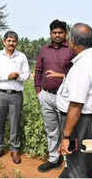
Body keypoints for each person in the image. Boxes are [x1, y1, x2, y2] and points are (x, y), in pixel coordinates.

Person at [57, 23, 92, 178]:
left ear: (73, 41)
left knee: (79, 167)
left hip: (80, 122)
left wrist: (66, 137)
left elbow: (76, 105)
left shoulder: (83, 66)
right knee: (79, 162)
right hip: (85, 120)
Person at [34, 19, 74, 172]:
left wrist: (60, 75)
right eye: (54, 32)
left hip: (64, 97)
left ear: (66, 33)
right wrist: (38, 91)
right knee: (51, 129)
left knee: (67, 130)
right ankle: (53, 159)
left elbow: (75, 73)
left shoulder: (71, 49)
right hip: (46, 96)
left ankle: (68, 163)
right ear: (50, 33)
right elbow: (38, 70)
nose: (57, 35)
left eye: (60, 32)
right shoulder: (44, 50)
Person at [0, 31, 30, 164]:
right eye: (9, 41)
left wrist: (18, 76)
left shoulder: (21, 56)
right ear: (4, 41)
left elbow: (27, 74)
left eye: (14, 41)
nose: (11, 43)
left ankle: (15, 149)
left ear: (17, 42)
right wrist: (7, 76)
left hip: (16, 95)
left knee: (15, 122)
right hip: (0, 93)